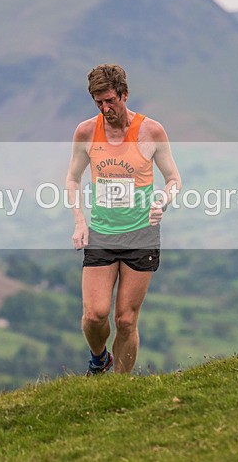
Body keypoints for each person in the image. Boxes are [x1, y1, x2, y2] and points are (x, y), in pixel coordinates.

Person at [66, 63, 181, 375]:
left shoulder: (151, 131)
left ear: (124, 95)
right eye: (98, 102)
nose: (105, 109)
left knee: (126, 320)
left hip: (141, 235)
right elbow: (73, 179)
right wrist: (80, 221)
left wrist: (164, 201)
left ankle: (119, 388)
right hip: (102, 234)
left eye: (110, 101)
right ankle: (99, 359)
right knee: (94, 315)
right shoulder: (86, 131)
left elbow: (173, 179)